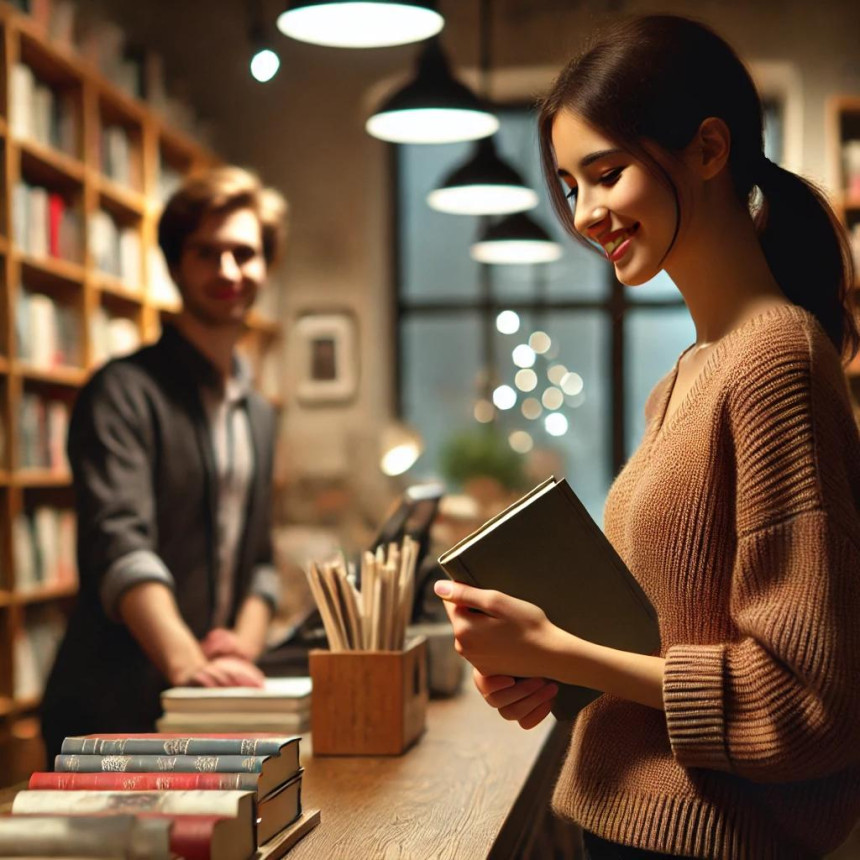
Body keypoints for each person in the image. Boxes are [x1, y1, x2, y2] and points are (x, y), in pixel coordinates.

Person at [434, 15, 860, 860]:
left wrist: (571, 655)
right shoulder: (686, 379)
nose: (586, 214)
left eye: (607, 173)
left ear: (708, 150)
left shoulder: (775, 360)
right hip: (628, 827)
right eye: (568, 185)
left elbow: (805, 704)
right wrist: (556, 668)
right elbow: (673, 638)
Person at [41, 166, 288, 761]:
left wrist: (240, 654)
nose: (228, 272)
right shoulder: (122, 391)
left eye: (244, 254)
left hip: (210, 705)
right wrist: (189, 662)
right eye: (207, 253)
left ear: (265, 266)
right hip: (113, 709)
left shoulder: (258, 412)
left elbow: (259, 562)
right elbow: (119, 544)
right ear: (177, 264)